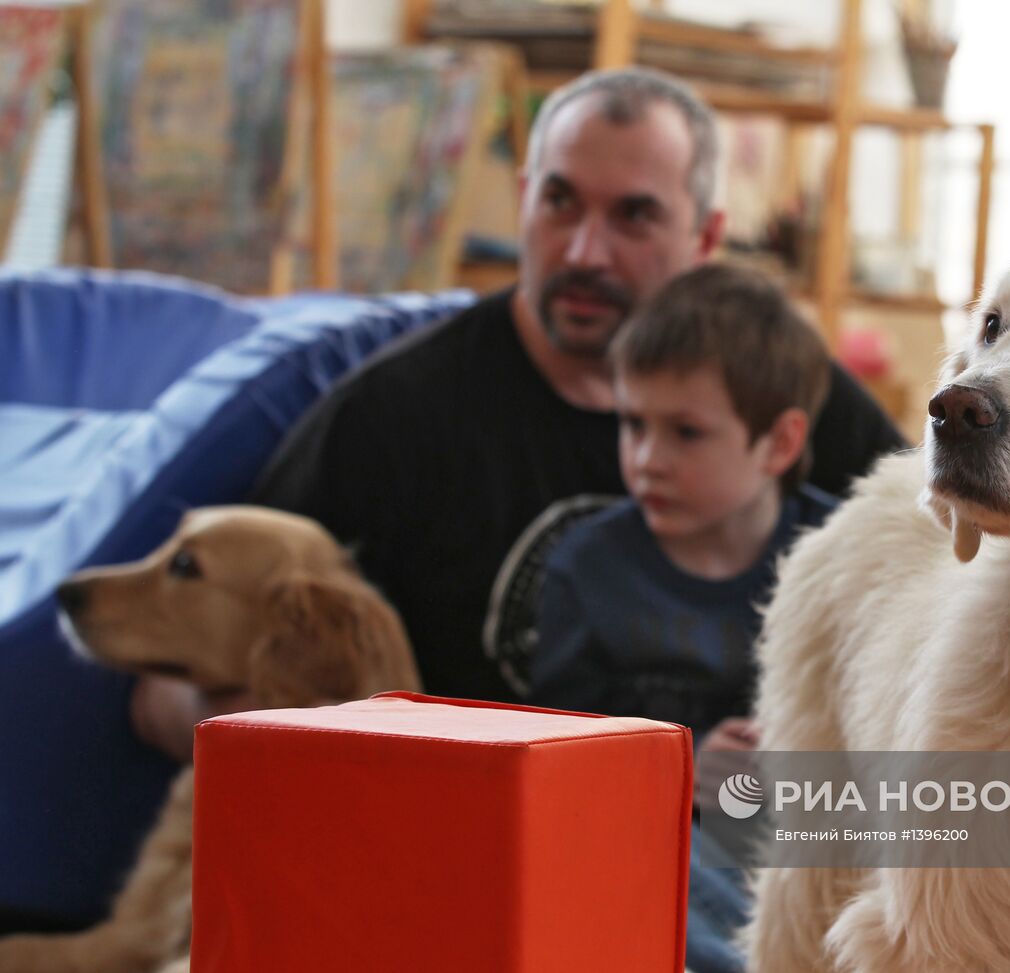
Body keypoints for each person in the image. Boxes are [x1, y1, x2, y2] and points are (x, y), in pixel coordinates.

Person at [131, 66, 904, 756]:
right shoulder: (395, 414)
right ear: (525, 199)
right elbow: (162, 698)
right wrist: (287, 731)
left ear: (705, 237)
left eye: (634, 216)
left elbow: (943, 590)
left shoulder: (785, 391)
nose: (584, 252)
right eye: (559, 202)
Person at [529, 262, 834, 742]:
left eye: (686, 432)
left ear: (780, 443)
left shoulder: (842, 561)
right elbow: (556, 745)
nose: (647, 460)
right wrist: (685, 761)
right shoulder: (587, 568)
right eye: (633, 424)